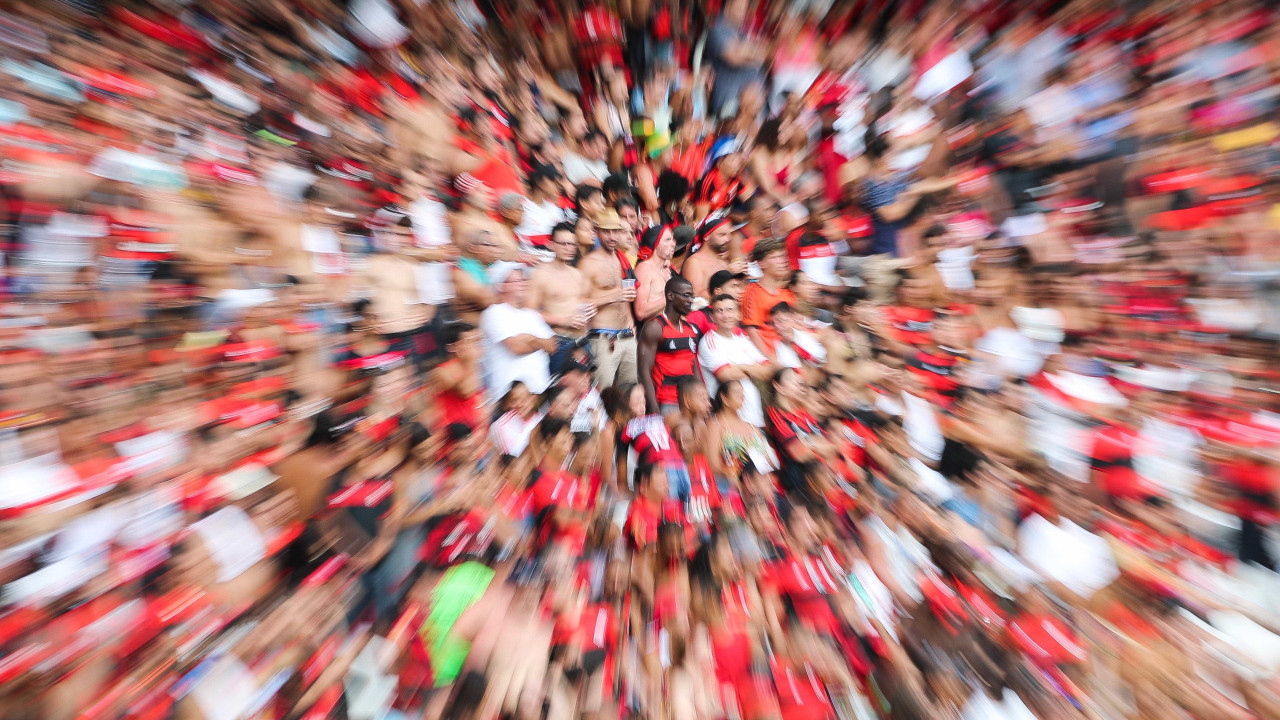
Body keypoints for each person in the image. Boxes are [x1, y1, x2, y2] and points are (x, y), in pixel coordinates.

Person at [479, 262, 557, 399]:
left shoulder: (531, 314)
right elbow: (516, 347)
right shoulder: (493, 313)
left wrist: (530, 339)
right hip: (509, 398)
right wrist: (539, 342)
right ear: (500, 285)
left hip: (538, 393)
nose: (523, 283)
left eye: (524, 280)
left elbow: (552, 346)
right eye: (517, 280)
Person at [580, 209, 639, 388]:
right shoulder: (588, 263)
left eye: (616, 231)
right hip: (603, 338)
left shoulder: (621, 259)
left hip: (626, 337)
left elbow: (625, 296)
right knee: (605, 395)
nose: (612, 236)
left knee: (629, 393)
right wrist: (615, 296)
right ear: (597, 232)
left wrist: (630, 319)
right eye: (607, 231)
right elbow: (579, 304)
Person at [697, 294, 774, 427]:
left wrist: (739, 367)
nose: (725, 315)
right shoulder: (709, 341)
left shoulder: (742, 340)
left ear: (739, 314)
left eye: (729, 310)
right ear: (712, 317)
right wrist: (753, 368)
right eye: (719, 311)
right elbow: (725, 375)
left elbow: (768, 371)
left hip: (754, 416)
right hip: (730, 422)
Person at [529, 222, 594, 366]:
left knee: (585, 387)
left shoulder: (578, 274)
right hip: (560, 341)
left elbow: (582, 302)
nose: (569, 248)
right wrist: (562, 320)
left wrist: (590, 308)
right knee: (560, 387)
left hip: (583, 340)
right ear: (551, 245)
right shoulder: (540, 274)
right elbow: (529, 313)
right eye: (563, 243)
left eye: (572, 244)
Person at [638, 276, 700, 415]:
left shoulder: (690, 328)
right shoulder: (655, 327)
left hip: (690, 402)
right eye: (686, 296)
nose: (691, 300)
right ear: (670, 296)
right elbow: (644, 371)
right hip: (666, 402)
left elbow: (694, 365)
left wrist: (702, 395)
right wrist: (653, 407)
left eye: (692, 296)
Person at [740, 236, 797, 356]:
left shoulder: (787, 293)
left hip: (792, 349)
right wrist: (772, 362)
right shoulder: (752, 292)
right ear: (761, 263)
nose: (782, 261)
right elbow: (752, 331)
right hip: (770, 354)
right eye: (775, 257)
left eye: (782, 256)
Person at [682, 212, 746, 301]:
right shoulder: (694, 262)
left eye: (729, 234)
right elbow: (697, 296)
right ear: (706, 237)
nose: (728, 239)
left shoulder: (724, 261)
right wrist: (727, 274)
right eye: (722, 235)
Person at [634, 224, 677, 321]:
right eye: (667, 240)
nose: (673, 244)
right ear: (656, 244)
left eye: (672, 239)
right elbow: (640, 312)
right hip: (654, 331)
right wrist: (674, 297)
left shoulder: (666, 270)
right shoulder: (644, 269)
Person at [686, 269, 747, 334]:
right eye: (734, 286)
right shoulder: (698, 316)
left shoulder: (739, 314)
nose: (740, 291)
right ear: (718, 292)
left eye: (740, 286)